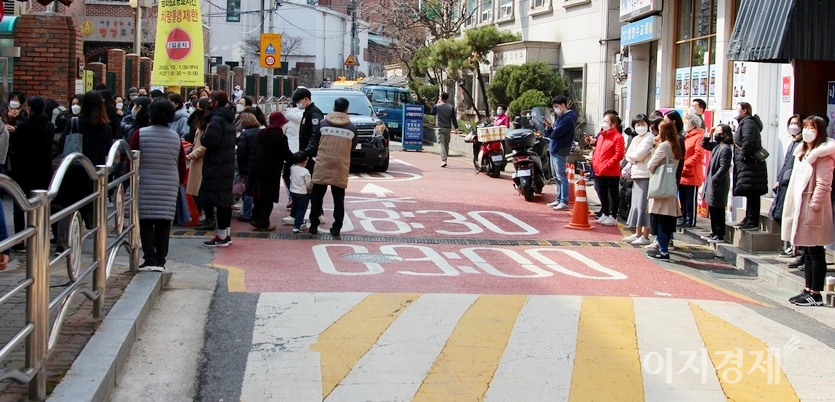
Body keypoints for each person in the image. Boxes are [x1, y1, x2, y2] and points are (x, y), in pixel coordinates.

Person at [128, 98, 187, 270]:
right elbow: (181, 165)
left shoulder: (140, 133)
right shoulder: (175, 137)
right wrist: (179, 182)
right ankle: (161, 260)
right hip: (169, 183)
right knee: (163, 223)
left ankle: (149, 259)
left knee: (145, 221)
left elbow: (130, 160)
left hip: (145, 181)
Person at [783, 116, 835, 306]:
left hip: (815, 211)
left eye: (810, 127)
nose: (805, 130)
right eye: (804, 126)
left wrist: (814, 205)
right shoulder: (804, 152)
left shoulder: (823, 155)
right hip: (802, 207)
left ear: (819, 130)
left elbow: (824, 184)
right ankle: (807, 289)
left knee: (816, 251)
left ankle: (816, 293)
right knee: (807, 250)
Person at [55, 91, 114, 251]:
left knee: (68, 207)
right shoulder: (105, 127)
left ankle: (63, 243)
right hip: (94, 173)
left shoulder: (75, 122)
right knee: (93, 205)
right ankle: (98, 241)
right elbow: (108, 150)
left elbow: (61, 144)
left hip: (73, 169)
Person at [307, 97, 358, 236]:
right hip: (340, 165)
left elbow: (315, 142)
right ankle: (336, 228)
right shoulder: (352, 128)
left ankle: (313, 226)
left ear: (334, 108)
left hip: (323, 163)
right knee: (338, 200)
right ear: (347, 109)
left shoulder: (323, 124)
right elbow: (352, 147)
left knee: (317, 197)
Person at [8, 96, 54, 251]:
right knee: (40, 205)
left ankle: (20, 240)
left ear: (31, 108)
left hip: (24, 170)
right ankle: (40, 237)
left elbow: (17, 148)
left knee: (20, 205)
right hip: (43, 170)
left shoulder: (24, 127)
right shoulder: (49, 126)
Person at [200, 91, 237, 247]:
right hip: (226, 163)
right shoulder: (228, 118)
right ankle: (225, 234)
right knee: (225, 200)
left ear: (215, 102)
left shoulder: (217, 120)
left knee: (219, 201)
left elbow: (210, 141)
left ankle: (221, 236)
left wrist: (203, 137)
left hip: (216, 164)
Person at [247, 111, 293, 231]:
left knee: (258, 195)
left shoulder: (261, 133)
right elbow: (286, 155)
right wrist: (297, 158)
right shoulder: (280, 137)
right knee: (268, 198)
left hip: (257, 168)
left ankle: (255, 218)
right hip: (271, 171)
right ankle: (263, 223)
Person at [646, 120, 684, 260]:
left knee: (660, 220)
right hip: (670, 186)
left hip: (660, 187)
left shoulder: (664, 146)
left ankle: (663, 251)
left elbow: (650, 164)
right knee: (667, 221)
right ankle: (664, 249)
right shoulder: (675, 145)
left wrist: (655, 146)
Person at [770, 115, 804, 264]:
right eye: (791, 123)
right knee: (778, 213)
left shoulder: (802, 143)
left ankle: (795, 247)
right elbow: (786, 163)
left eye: (797, 123)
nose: (793, 126)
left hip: (792, 183)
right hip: (784, 182)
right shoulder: (792, 142)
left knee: (787, 214)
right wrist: (778, 179)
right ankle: (791, 245)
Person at [733, 102, 768, 230]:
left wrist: (743, 156)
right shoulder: (745, 122)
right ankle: (748, 217)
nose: (737, 113)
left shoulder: (748, 123)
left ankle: (752, 220)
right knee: (749, 192)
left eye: (739, 110)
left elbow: (748, 140)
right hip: (748, 164)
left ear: (745, 110)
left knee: (753, 192)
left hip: (751, 164)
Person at [586, 111, 624, 226]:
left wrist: (607, 165)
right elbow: (598, 151)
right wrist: (594, 162)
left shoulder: (618, 137)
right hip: (599, 169)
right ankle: (605, 213)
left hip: (611, 171)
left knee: (612, 193)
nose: (604, 123)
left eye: (607, 121)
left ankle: (613, 215)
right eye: (604, 121)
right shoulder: (602, 135)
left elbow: (619, 154)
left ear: (613, 124)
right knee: (602, 193)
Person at [623, 114, 655, 245]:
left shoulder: (649, 138)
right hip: (636, 174)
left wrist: (633, 157)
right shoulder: (636, 138)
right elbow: (629, 154)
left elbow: (639, 155)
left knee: (644, 206)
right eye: (637, 124)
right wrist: (633, 157)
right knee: (636, 205)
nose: (640, 127)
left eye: (643, 124)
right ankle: (637, 233)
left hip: (645, 175)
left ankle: (645, 236)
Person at [700, 124, 733, 243]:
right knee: (712, 208)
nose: (716, 134)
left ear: (725, 134)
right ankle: (714, 232)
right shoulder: (716, 146)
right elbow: (704, 144)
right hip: (713, 182)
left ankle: (719, 234)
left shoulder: (726, 149)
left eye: (719, 132)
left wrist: (714, 179)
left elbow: (724, 167)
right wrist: (709, 133)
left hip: (719, 183)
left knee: (718, 208)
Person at [543, 96, 576, 211]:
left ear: (563, 105)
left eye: (557, 107)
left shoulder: (568, 119)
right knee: (556, 176)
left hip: (561, 150)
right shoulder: (561, 117)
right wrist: (549, 128)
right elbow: (553, 133)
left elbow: (555, 134)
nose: (556, 109)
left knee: (561, 176)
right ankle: (558, 198)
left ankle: (564, 201)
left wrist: (552, 131)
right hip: (554, 149)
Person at [185, 98, 211, 228]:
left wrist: (192, 154)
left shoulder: (208, 124)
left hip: (201, 160)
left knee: (201, 191)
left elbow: (206, 145)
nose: (197, 111)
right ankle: (200, 215)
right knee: (196, 191)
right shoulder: (199, 123)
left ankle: (205, 217)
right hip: (196, 160)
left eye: (200, 108)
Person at [679, 113, 706, 227]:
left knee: (690, 199)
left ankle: (690, 220)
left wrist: (685, 165)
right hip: (682, 174)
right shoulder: (686, 137)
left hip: (692, 173)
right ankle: (684, 218)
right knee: (683, 198)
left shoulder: (698, 137)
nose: (686, 124)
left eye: (687, 122)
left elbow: (698, 154)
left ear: (693, 124)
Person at [235, 108, 261, 223]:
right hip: (258, 165)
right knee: (257, 190)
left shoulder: (244, 134)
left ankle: (247, 214)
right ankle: (257, 212)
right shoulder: (261, 132)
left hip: (247, 166)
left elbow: (241, 152)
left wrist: (240, 167)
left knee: (248, 191)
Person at [294, 88, 324, 173]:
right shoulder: (307, 111)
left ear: (306, 99)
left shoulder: (314, 113)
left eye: (298, 102)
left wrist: (307, 152)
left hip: (311, 154)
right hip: (306, 152)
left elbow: (315, 133)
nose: (297, 104)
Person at [429, 92, 458, 167]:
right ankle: (445, 159)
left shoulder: (437, 106)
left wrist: (437, 103)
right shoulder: (451, 107)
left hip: (439, 128)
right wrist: (456, 128)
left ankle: (443, 160)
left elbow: (432, 112)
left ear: (441, 98)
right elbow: (454, 119)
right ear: (447, 98)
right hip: (448, 128)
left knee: (441, 144)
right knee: (446, 144)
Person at [288, 151, 312, 233]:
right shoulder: (305, 171)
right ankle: (297, 226)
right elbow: (308, 183)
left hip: (293, 191)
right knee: (301, 209)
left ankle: (299, 222)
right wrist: (310, 188)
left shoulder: (292, 168)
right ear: (305, 161)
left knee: (295, 206)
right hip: (302, 193)